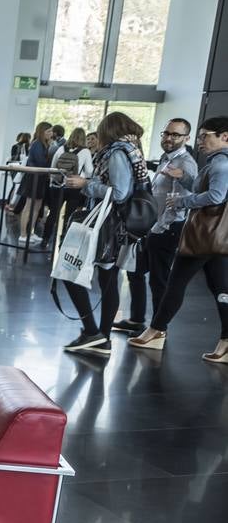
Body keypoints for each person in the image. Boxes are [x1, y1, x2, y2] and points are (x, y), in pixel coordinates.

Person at [131, 116, 228, 363]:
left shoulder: (220, 164)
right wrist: (184, 179)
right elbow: (202, 188)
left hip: (204, 235)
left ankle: (156, 330)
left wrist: (183, 201)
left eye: (205, 135)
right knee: (221, 289)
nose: (200, 140)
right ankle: (226, 342)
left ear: (224, 137)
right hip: (213, 237)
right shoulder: (215, 163)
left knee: (175, 283)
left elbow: (216, 196)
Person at [59, 112, 148, 355]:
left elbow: (119, 192)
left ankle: (92, 332)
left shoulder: (118, 153)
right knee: (109, 280)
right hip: (117, 225)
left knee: (69, 271)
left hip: (106, 222)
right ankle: (102, 338)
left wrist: (85, 185)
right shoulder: (132, 149)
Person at [112, 119, 195, 334]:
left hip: (167, 229)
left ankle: (158, 329)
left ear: (186, 138)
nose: (169, 138)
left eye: (175, 135)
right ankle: (136, 319)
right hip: (152, 227)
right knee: (136, 272)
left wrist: (161, 227)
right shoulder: (166, 159)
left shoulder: (185, 163)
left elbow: (187, 193)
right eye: (166, 133)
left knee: (159, 280)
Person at [17, 122, 53, 249]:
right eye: (48, 131)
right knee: (28, 207)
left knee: (37, 208)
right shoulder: (37, 144)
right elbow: (41, 162)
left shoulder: (44, 145)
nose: (51, 134)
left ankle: (29, 232)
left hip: (40, 178)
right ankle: (22, 234)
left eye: (51, 131)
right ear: (42, 132)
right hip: (33, 178)